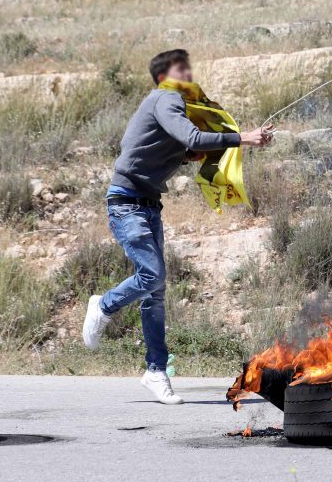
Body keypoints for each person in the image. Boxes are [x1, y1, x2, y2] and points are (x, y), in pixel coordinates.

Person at [81, 49, 274, 404]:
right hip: (126, 203)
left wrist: (191, 156)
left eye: (188, 66)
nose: (187, 72)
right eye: (179, 68)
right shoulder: (166, 98)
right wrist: (243, 137)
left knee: (154, 294)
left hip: (149, 204)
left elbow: (171, 147)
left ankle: (155, 371)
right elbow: (194, 139)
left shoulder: (173, 105)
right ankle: (104, 305)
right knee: (152, 276)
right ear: (163, 77)